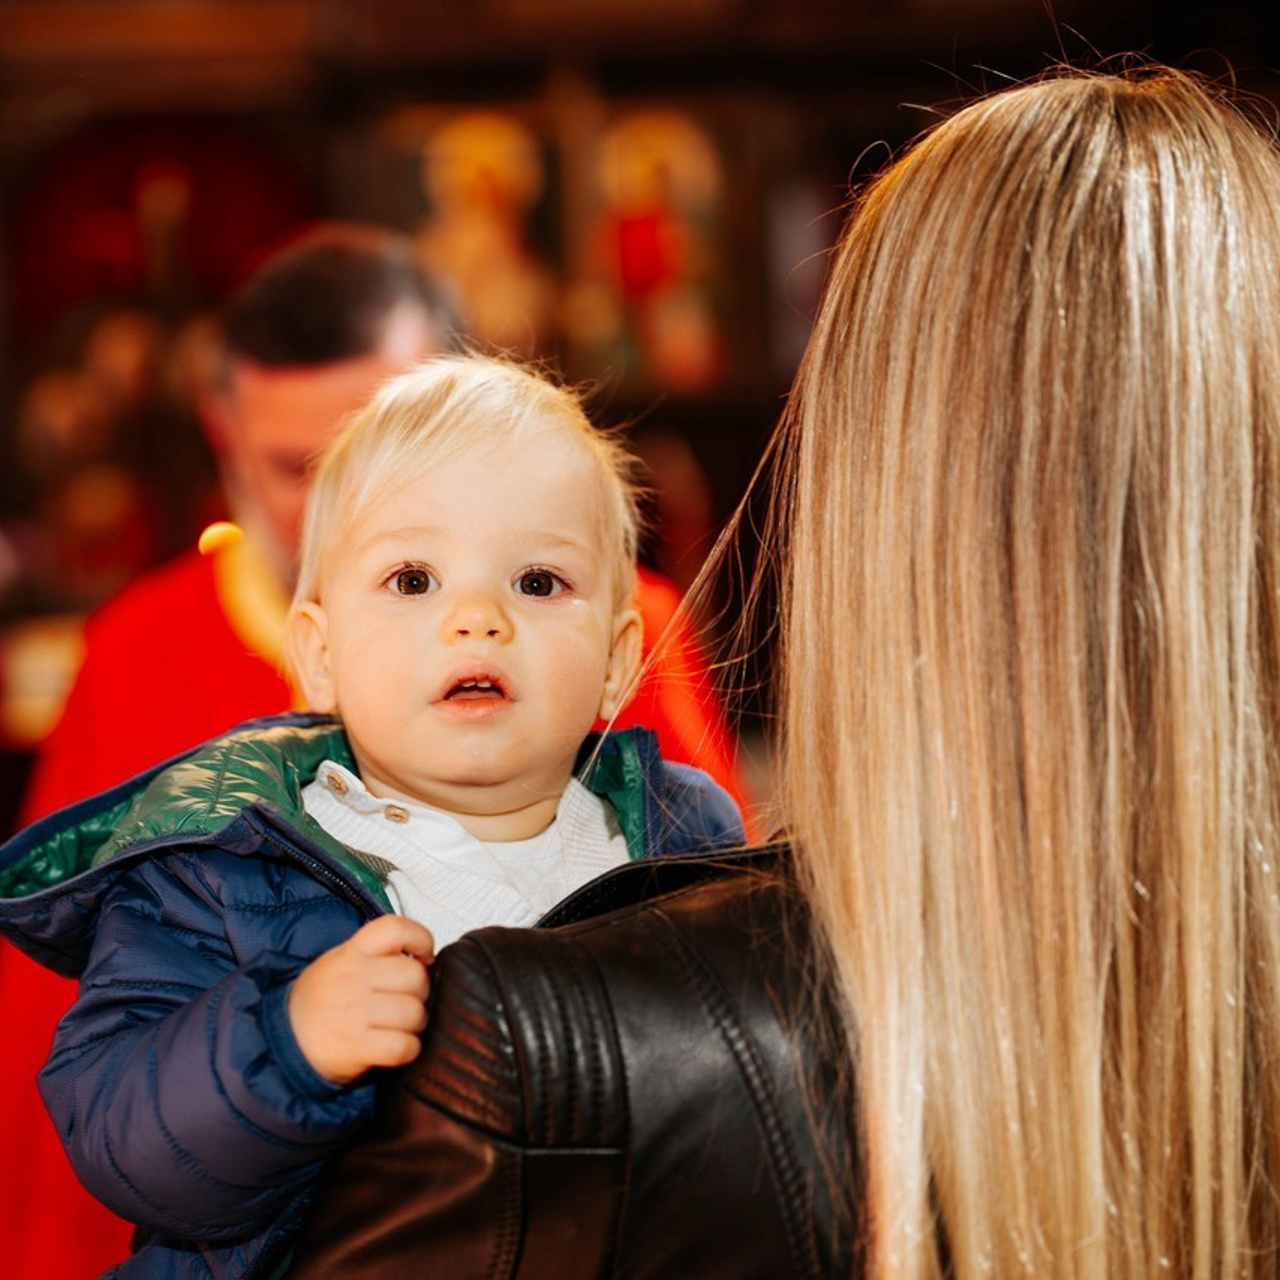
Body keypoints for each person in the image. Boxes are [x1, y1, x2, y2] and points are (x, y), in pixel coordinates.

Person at [285, 66, 1280, 1277]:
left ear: (867, 476)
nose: (474, 622)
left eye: (536, 580)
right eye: (411, 578)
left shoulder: (550, 1049)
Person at [1, 224, 748, 1278]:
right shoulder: (144, 667)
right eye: (296, 466)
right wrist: (286, 1041)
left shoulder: (649, 760)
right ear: (224, 432)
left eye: (535, 581)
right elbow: (73, 1087)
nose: (475, 617)